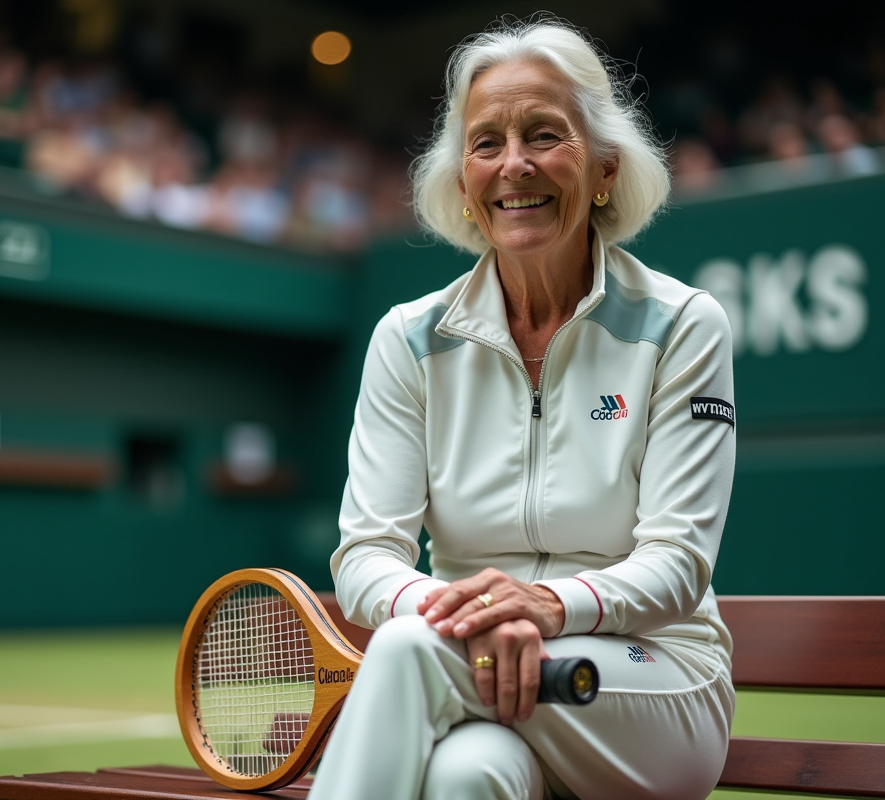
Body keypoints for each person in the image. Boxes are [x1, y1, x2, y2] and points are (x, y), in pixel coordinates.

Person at [309, 18, 736, 800]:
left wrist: (544, 606)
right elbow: (367, 554)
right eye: (486, 143)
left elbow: (678, 564)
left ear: (604, 165)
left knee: (405, 652)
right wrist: (466, 615)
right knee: (465, 778)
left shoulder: (684, 324)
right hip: (472, 665)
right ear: (463, 184)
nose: (515, 164)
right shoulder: (406, 339)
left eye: (544, 134)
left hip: (655, 682)